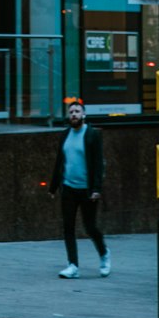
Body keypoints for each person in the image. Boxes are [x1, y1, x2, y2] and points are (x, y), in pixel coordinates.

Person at [48, 99, 111, 279]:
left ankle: (104, 253)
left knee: (90, 227)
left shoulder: (92, 135)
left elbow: (98, 164)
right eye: (71, 112)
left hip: (87, 190)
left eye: (77, 112)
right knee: (68, 227)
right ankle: (73, 265)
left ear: (83, 115)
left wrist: (97, 188)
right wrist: (53, 187)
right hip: (68, 188)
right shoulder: (65, 135)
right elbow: (60, 162)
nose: (74, 115)